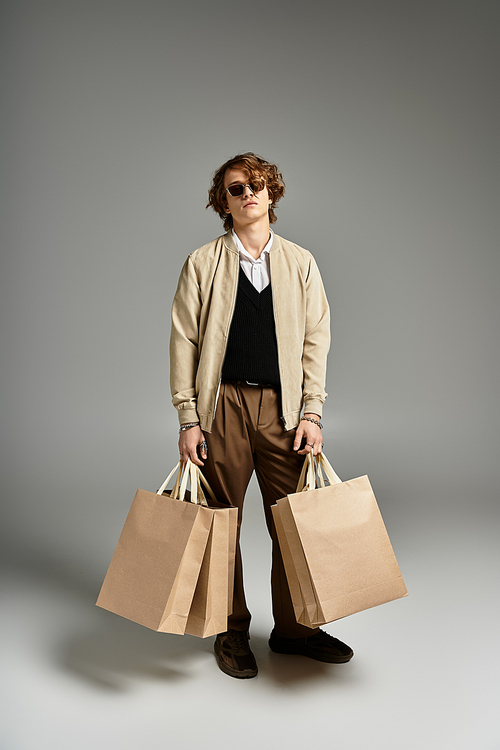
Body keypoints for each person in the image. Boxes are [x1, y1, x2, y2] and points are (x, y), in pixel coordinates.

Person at [170, 152, 353, 678]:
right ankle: (230, 629)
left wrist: (312, 412)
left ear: (271, 193)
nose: (248, 193)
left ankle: (294, 630)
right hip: (221, 406)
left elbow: (317, 340)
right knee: (220, 522)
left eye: (257, 185)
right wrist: (188, 418)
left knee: (295, 519)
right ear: (222, 201)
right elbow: (183, 341)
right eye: (235, 188)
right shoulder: (202, 263)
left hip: (284, 408)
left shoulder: (300, 262)